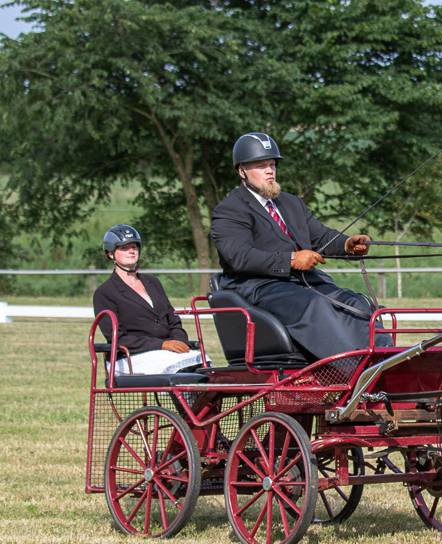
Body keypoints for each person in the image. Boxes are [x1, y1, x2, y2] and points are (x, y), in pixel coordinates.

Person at [210, 131, 387, 360]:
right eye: (261, 165)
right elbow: (239, 257)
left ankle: (386, 365)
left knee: (359, 304)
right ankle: (350, 373)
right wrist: (291, 260)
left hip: (303, 284)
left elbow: (320, 237)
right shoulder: (230, 209)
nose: (269, 171)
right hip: (261, 287)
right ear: (242, 171)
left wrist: (346, 244)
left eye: (272, 164)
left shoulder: (291, 203)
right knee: (316, 306)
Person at [93, 224, 206, 375]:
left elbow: (173, 319)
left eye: (134, 246)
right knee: (179, 366)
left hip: (166, 352)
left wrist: (180, 341)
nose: (132, 251)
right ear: (110, 254)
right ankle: (189, 398)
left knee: (204, 361)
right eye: (124, 247)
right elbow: (118, 339)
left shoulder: (153, 282)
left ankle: (201, 399)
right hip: (129, 356)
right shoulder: (105, 293)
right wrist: (162, 344)